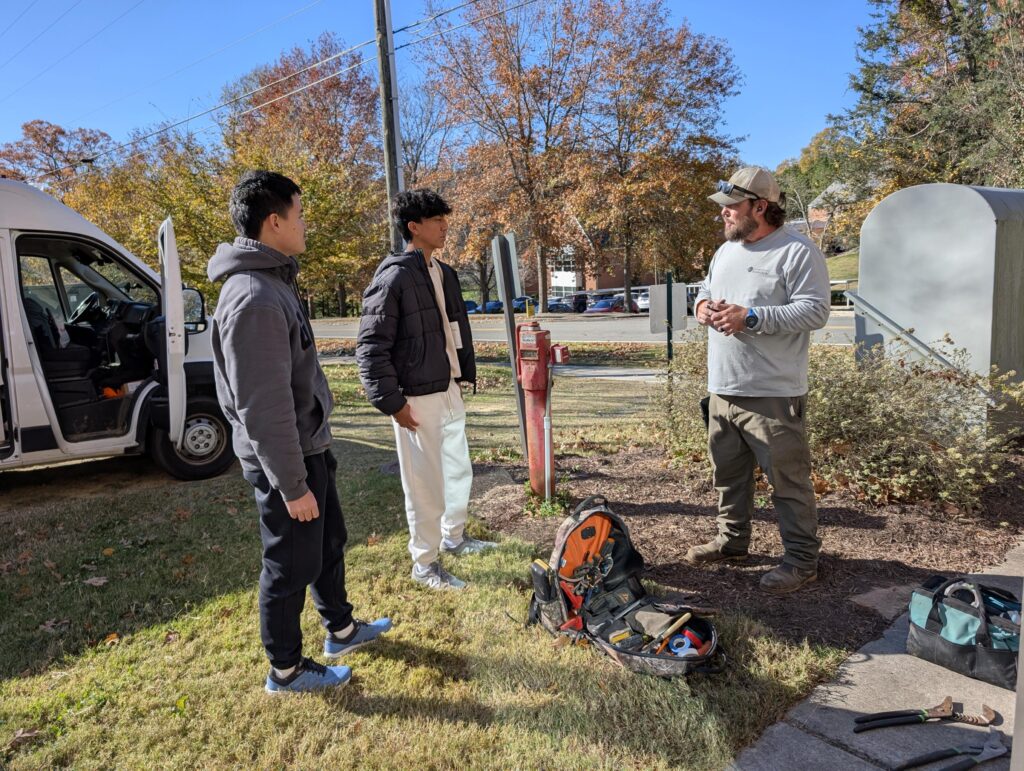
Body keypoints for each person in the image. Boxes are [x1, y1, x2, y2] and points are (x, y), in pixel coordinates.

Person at [208, 170, 391, 694]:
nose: (305, 224)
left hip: (309, 446)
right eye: (300, 214)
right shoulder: (254, 296)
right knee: (289, 564)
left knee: (327, 543)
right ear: (274, 221)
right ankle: (285, 670)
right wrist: (292, 485)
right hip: (285, 459)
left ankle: (342, 630)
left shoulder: (272, 281)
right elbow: (263, 407)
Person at [685, 166, 831, 594]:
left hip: (773, 395)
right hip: (723, 390)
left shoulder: (797, 251)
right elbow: (704, 289)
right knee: (728, 476)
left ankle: (802, 562)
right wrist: (701, 308)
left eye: (732, 207)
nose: (724, 214)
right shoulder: (725, 251)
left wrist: (750, 317)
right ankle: (732, 543)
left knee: (788, 484)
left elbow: (815, 311)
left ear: (760, 207)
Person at [356, 188, 495, 590]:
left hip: (447, 388)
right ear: (414, 227)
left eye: (444, 219)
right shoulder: (394, 277)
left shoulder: (443, 273)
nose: (445, 226)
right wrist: (392, 403)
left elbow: (452, 329)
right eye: (436, 220)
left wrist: (460, 376)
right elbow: (370, 347)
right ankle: (425, 564)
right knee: (424, 484)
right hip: (415, 397)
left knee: (457, 469)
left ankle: (455, 537)